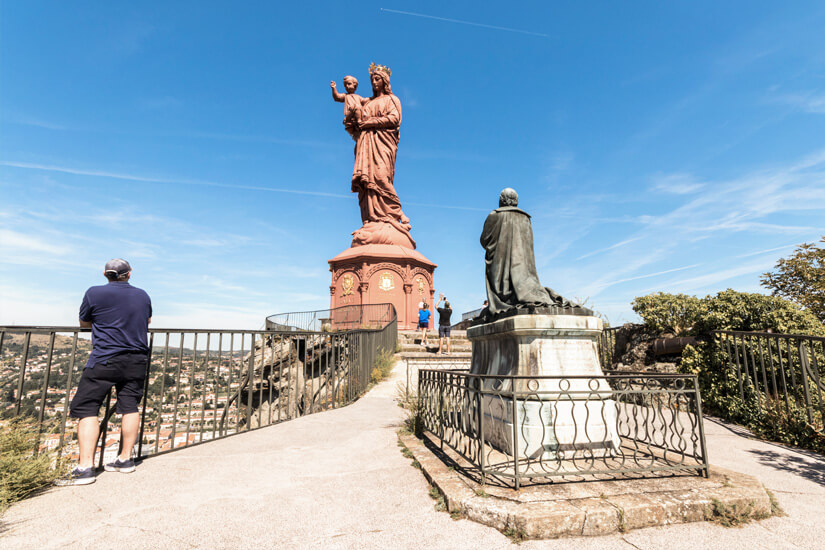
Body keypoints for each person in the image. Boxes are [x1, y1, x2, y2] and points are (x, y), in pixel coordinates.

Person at [59, 259, 152, 486]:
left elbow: (84, 322)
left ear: (105, 274)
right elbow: (147, 320)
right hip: (137, 359)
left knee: (87, 408)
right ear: (129, 274)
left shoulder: (94, 292)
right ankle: (125, 460)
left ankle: (85, 468)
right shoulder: (143, 295)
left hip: (105, 358)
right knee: (130, 406)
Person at [480, 188, 591, 318]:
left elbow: (484, 240)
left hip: (499, 264)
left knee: (501, 288)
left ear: (502, 199)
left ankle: (506, 299)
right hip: (524, 268)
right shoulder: (525, 218)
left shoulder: (494, 215)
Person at [330, 75, 367, 140]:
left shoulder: (358, 97)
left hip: (357, 114)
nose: (347, 86)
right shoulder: (345, 96)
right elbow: (337, 97)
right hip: (350, 114)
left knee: (358, 108)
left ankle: (359, 121)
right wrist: (334, 88)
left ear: (354, 85)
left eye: (349, 84)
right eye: (345, 85)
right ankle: (359, 121)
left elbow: (365, 101)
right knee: (356, 107)